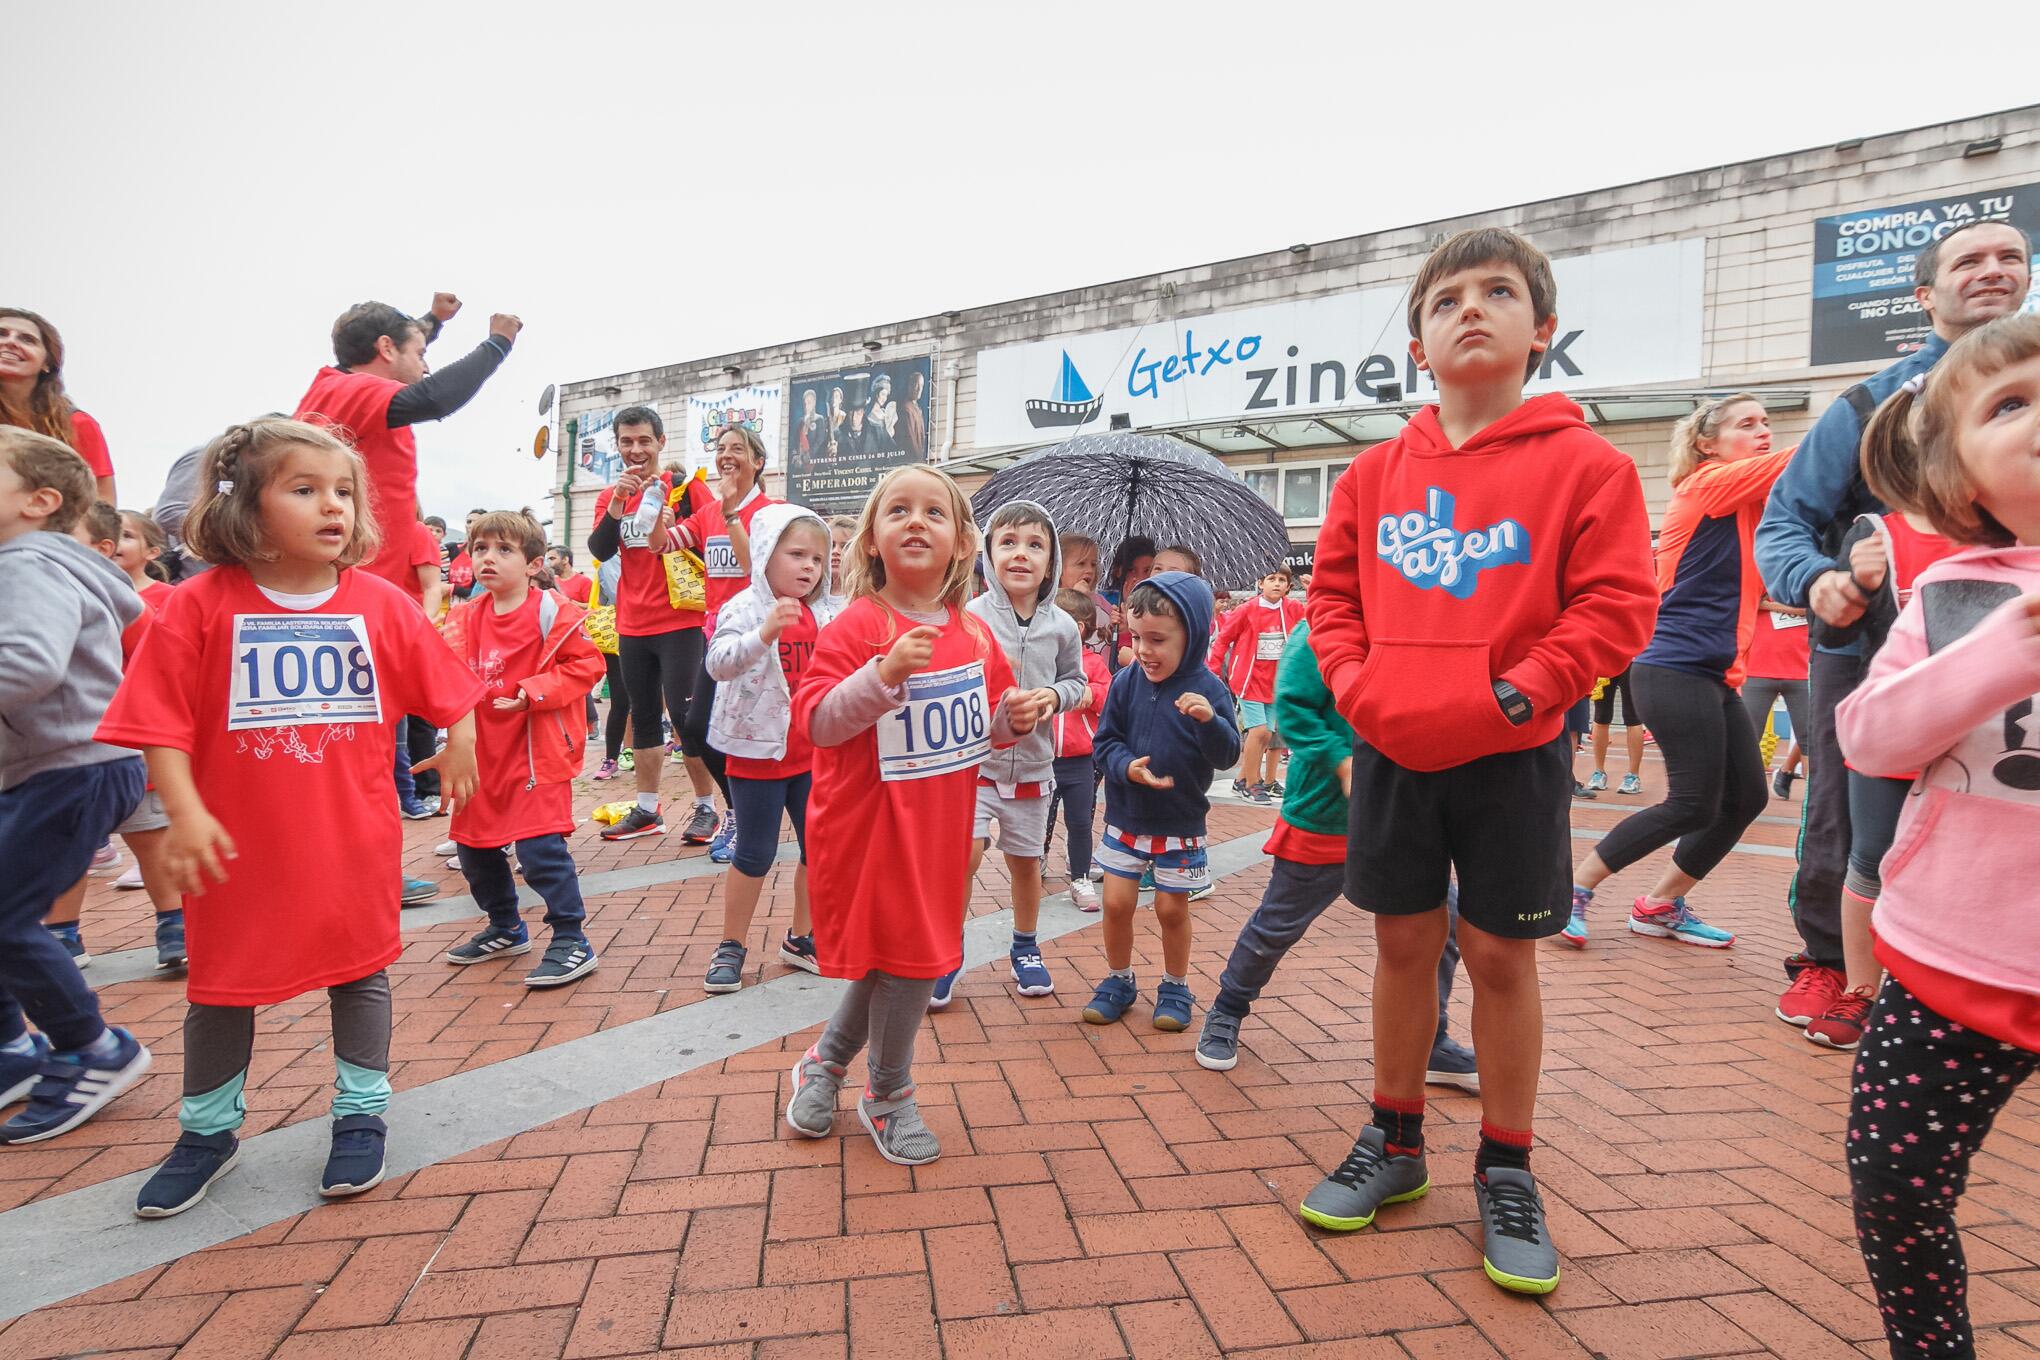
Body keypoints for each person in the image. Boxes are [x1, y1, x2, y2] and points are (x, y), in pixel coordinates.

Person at [1304, 227, 1657, 1295]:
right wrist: (1362, 691)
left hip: (1513, 754)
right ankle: (1396, 1141)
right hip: (1398, 748)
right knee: (1403, 946)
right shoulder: (1371, 473)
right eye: (1446, 297)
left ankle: (1507, 1165)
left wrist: (1521, 690)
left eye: (1498, 291)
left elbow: (1617, 605)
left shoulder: (1587, 463)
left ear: (1540, 329)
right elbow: (1333, 602)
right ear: (1415, 342)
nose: (1470, 308)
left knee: (1503, 958)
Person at [97, 416, 481, 1215]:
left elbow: (449, 688)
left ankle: (361, 1112)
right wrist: (184, 812)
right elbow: (157, 722)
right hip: (234, 851)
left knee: (360, 972)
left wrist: (460, 742)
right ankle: (206, 1132)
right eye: (304, 489)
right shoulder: (197, 605)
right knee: (220, 990)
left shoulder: (379, 602)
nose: (332, 506)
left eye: (343, 491)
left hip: (351, 841)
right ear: (245, 505)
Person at [1756, 220, 2031, 1032]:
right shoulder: (1874, 404)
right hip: (1876, 651)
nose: (1992, 271)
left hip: (2019, 650)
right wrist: (1825, 584)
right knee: (1845, 811)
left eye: (2009, 257)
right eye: (1968, 261)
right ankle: (1829, 964)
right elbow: (1784, 524)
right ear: (1924, 294)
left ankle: (1977, 977)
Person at [1830, 312, 2040, 1360]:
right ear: (1962, 482)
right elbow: (1868, 736)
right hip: (1956, 958)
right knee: (1896, 1184)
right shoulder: (1952, 595)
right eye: (2012, 403)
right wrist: (2000, 653)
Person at [782, 466, 1047, 1165]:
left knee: (903, 956)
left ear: (963, 544)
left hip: (939, 832)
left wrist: (1012, 720)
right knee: (908, 959)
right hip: (868, 828)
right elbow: (817, 723)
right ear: (871, 539)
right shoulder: (857, 625)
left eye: (934, 512)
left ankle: (826, 1061)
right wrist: (883, 675)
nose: (916, 522)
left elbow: (982, 731)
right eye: (898, 509)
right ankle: (889, 1092)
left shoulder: (975, 636)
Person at [1196, 620, 1477, 1095]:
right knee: (1277, 926)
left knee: (1444, 922)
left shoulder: (1423, 612)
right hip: (1325, 815)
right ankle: (1227, 1009)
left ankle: (1431, 1040)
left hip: (1401, 815)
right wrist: (1344, 763)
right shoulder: (1319, 628)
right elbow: (1294, 709)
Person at [1565, 396, 1793, 949]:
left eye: (1766, 423)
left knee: (1745, 799)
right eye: (1747, 424)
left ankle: (1660, 903)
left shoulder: (1748, 509)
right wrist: (1862, 413)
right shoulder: (1706, 485)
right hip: (1672, 666)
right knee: (1691, 802)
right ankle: (1574, 889)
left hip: (1714, 674)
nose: (1763, 431)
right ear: (1706, 445)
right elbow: (1801, 461)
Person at [0, 431, 151, 1145]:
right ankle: (13, 1050)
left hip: (73, 765)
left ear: (40, 500)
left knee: (6, 918)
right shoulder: (39, 563)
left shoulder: (27, 566)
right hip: (62, 764)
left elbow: (29, 664)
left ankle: (92, 1048)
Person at [1798, 422, 1962, 1051]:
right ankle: (1863, 988)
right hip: (1895, 725)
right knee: (1871, 856)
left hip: (1979, 736)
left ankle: (1952, 991)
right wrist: (1856, 589)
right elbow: (1835, 641)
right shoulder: (1876, 534)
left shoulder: (2007, 531)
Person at [439, 511, 604, 989]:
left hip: (537, 755)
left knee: (540, 851)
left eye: (504, 550)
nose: (489, 558)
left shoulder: (554, 612)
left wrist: (532, 692)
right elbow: (444, 673)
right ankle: (506, 927)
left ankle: (572, 939)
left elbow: (586, 667)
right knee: (474, 850)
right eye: (481, 548)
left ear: (533, 564)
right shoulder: (465, 615)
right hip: (478, 757)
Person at [1084, 571, 1243, 1033]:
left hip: (1181, 820)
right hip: (1126, 817)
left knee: (1173, 909)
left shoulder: (1209, 689)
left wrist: (1209, 721)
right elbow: (1105, 741)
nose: (1144, 650)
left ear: (1191, 636)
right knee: (1115, 904)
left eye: (1157, 639)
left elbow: (1228, 753)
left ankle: (1175, 985)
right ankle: (1119, 980)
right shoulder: (1125, 682)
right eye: (1136, 637)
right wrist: (1126, 766)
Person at [950, 501, 1090, 1005]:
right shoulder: (967, 617)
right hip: (976, 765)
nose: (1020, 555)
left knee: (1026, 863)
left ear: (1050, 560)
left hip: (1034, 765)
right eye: (1007, 543)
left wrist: (1054, 697)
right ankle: (948, 952)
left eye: (1035, 545)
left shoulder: (1063, 626)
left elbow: (1079, 683)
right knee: (962, 856)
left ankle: (1026, 947)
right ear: (987, 554)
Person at [294, 296, 520, 593]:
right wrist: (498, 343)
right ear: (386, 348)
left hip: (366, 580)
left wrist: (435, 320)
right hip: (356, 584)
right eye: (420, 353)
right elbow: (434, 398)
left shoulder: (339, 391)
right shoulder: (350, 389)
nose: (425, 367)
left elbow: (404, 342)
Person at [702, 506, 840, 991]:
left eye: (818, 559)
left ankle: (801, 938)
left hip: (813, 755)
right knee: (754, 853)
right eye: (797, 554)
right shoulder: (743, 608)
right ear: (765, 554)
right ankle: (731, 944)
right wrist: (764, 634)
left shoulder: (826, 612)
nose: (809, 567)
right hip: (756, 754)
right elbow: (718, 663)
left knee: (818, 850)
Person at [583, 408, 718, 842]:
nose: (636, 450)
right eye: (627, 442)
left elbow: (715, 538)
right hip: (633, 622)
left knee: (686, 716)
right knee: (642, 715)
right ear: (618, 446)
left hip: (682, 618)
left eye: (644, 441)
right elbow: (602, 551)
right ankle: (646, 808)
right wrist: (620, 504)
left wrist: (681, 529)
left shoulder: (686, 488)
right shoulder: (612, 495)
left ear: (661, 442)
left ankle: (707, 808)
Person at [1209, 565, 1305, 803]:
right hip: (1249, 680)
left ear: (1288, 586)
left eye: (1282, 580)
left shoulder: (1292, 608)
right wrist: (1212, 671)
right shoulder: (1247, 609)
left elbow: (1314, 617)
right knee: (1259, 732)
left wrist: (1313, 591)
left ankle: (1241, 779)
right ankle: (1252, 784)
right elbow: (1223, 639)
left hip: (1276, 683)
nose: (1276, 584)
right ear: (1260, 584)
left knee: (1267, 734)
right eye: (1271, 579)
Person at [0, 309, 116, 502]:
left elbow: (102, 504)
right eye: (1, 334)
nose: (11, 342)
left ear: (47, 363)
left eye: (27, 339)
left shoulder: (77, 424)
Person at [1046, 588, 1110, 911]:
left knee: (1080, 821)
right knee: (1040, 818)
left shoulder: (1092, 662)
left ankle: (1081, 876)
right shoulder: (1041, 658)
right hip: (1041, 757)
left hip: (1079, 759)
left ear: (1079, 628)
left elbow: (1107, 692)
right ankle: (1036, 863)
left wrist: (1091, 693)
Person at [1740, 598, 1810, 798]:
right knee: (1745, 739)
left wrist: (1767, 605)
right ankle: (1739, 802)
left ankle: (1813, 809)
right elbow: (1744, 601)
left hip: (1803, 668)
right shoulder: (1757, 571)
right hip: (1756, 667)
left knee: (1811, 742)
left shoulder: (1808, 572)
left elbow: (1814, 607)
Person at [587, 554, 633, 782]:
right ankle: (612, 757)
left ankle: (631, 753)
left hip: (649, 630)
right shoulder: (610, 557)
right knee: (621, 699)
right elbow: (618, 595)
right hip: (618, 634)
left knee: (647, 699)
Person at [1584, 668, 1644, 795]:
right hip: (1606, 661)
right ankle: (1599, 772)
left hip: (1632, 660)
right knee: (1601, 716)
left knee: (1632, 717)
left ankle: (1633, 776)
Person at [1103, 535, 1157, 670]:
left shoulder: (1159, 606)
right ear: (1118, 571)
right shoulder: (1102, 602)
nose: (1139, 578)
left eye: (1147, 571)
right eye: (1131, 570)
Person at [824, 514, 855, 611]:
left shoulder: (866, 597)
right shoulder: (810, 596)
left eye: (844, 546)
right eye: (831, 545)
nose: (835, 551)